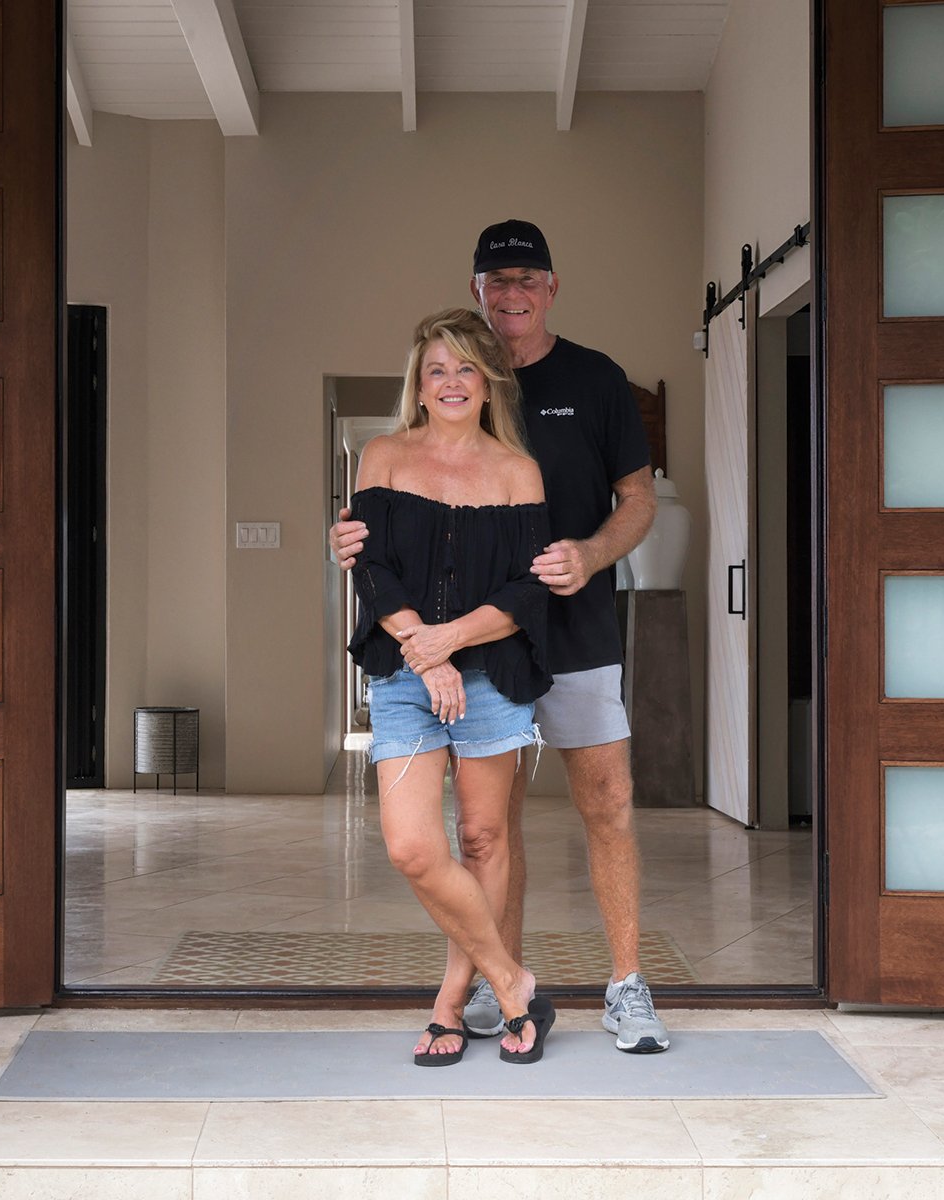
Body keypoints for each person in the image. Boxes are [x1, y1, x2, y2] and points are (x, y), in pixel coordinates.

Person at [333, 220, 669, 1054]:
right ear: (477, 293)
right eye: (496, 280)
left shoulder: (594, 380)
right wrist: (362, 554)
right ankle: (498, 980)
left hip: (576, 626)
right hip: (484, 650)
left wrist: (588, 556)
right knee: (490, 827)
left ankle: (627, 987)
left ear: (550, 287)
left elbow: (638, 498)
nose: (512, 292)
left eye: (527, 278)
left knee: (607, 803)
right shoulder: (432, 417)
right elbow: (383, 538)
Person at [349, 307, 557, 1066]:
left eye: (466, 367)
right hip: (406, 675)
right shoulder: (384, 455)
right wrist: (424, 654)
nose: (451, 382)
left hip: (494, 676)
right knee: (412, 847)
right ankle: (512, 983)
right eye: (436, 369)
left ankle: (448, 1003)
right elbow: (370, 569)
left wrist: (452, 642)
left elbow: (526, 591)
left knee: (483, 838)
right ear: (419, 382)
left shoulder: (516, 471)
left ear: (489, 379)